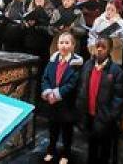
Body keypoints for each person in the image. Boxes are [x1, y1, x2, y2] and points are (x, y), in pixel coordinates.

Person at [77, 37, 123, 164]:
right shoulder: (88, 65)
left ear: (109, 49)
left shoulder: (116, 71)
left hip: (105, 118)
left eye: (103, 47)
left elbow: (118, 97)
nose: (99, 49)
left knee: (105, 150)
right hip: (89, 115)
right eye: (97, 46)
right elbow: (82, 87)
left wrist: (109, 116)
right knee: (91, 147)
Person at [42, 32, 83, 164]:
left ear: (73, 45)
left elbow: (72, 83)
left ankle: (66, 153)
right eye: (61, 43)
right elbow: (45, 78)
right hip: (52, 103)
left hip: (67, 103)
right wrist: (48, 92)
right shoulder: (53, 60)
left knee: (67, 131)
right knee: (53, 129)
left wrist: (57, 94)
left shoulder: (76, 63)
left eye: (67, 43)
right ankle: (51, 150)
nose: (64, 46)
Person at [88, 0, 123, 65]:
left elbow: (122, 38)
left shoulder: (120, 22)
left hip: (113, 53)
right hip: (97, 50)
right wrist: (92, 46)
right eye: (107, 9)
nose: (109, 12)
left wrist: (112, 24)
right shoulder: (99, 20)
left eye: (112, 10)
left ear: (117, 11)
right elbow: (92, 34)